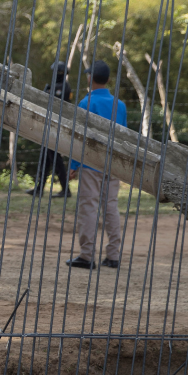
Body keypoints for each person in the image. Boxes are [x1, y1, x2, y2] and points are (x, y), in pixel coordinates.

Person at [66, 61, 128, 270]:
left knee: (89, 206)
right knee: (110, 206)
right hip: (113, 164)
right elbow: (124, 137)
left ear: (89, 78)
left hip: (90, 162)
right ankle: (113, 256)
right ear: (108, 80)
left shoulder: (86, 103)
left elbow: (78, 136)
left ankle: (86, 255)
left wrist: (73, 164)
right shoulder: (120, 105)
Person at [28, 62, 73, 198]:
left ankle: (66, 190)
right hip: (48, 126)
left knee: (55, 160)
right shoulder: (53, 86)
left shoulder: (64, 87)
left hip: (56, 127)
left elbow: (56, 103)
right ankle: (39, 188)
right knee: (45, 158)